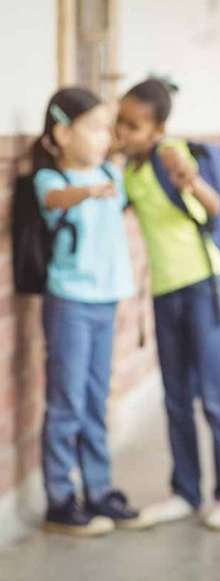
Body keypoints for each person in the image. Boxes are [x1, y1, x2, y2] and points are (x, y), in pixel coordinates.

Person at [115, 78, 220, 530]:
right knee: (175, 397)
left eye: (132, 126)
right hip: (164, 293)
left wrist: (190, 180)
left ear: (157, 127)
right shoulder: (131, 169)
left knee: (213, 394)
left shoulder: (170, 153)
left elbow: (213, 208)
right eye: (119, 122)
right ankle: (185, 491)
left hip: (202, 286)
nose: (122, 132)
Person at [33, 87, 144, 535]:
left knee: (97, 399)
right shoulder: (52, 181)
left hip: (106, 302)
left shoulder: (108, 173)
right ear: (61, 132)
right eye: (94, 128)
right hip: (69, 303)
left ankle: (98, 490)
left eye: (107, 128)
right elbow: (54, 201)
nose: (104, 137)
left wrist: (106, 171)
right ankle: (60, 497)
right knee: (67, 402)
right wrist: (87, 191)